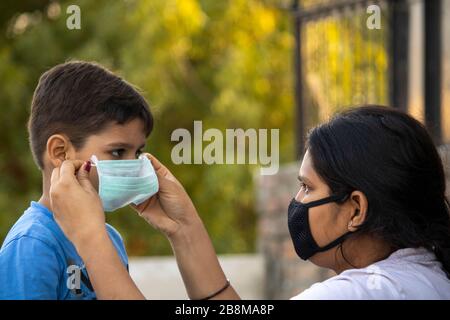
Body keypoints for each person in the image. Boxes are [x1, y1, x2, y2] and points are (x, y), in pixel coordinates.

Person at [48, 106, 450, 299]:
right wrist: (184, 229)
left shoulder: (363, 293)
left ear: (356, 210)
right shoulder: (421, 276)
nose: (296, 201)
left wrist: (88, 235)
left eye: (307, 188)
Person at [0, 61, 153, 299]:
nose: (133, 165)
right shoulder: (32, 244)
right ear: (61, 153)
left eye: (138, 153)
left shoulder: (109, 238)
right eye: (118, 152)